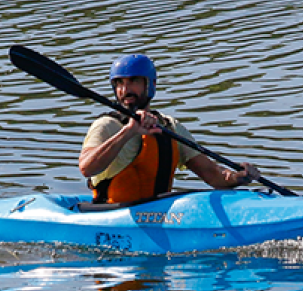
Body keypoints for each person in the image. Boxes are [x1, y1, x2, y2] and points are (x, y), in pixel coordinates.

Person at [78, 54, 261, 205]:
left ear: (151, 85)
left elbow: (213, 175)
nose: (125, 90)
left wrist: (239, 176)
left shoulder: (169, 127)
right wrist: (129, 132)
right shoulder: (107, 126)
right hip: (112, 217)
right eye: (119, 83)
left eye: (133, 81)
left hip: (158, 217)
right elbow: (86, 167)